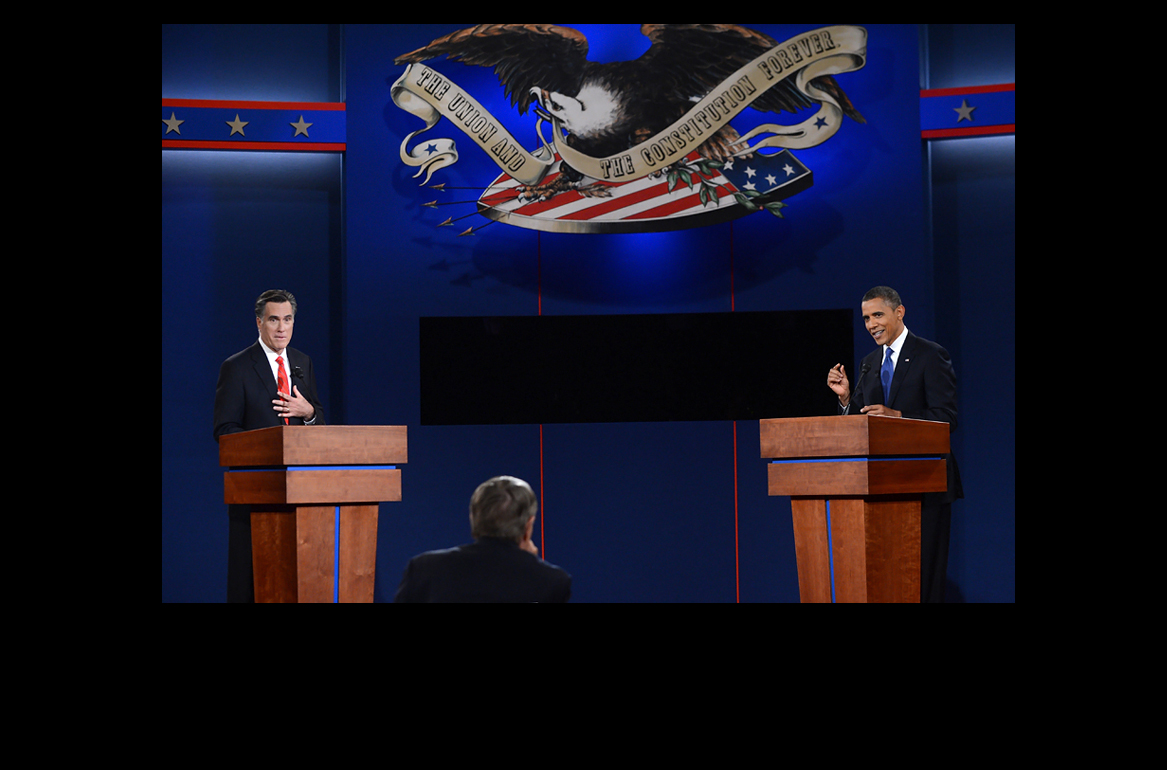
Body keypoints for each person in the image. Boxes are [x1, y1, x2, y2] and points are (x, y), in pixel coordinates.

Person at [826, 286, 962, 603]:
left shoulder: (930, 354)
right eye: (866, 318)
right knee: (887, 577)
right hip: (882, 486)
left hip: (926, 484)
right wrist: (846, 399)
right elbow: (861, 425)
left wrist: (897, 415)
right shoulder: (869, 363)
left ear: (899, 312)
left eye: (877, 315)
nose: (871, 324)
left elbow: (946, 418)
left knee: (922, 578)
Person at [213, 289, 326, 602]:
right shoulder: (237, 367)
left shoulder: (302, 362)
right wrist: (270, 446)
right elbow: (225, 430)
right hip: (258, 491)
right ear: (259, 322)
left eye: (288, 320)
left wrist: (309, 413)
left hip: (303, 489)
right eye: (274, 319)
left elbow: (319, 425)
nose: (281, 328)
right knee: (253, 582)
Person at [394, 476, 572, 603]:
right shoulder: (552, 581)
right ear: (528, 525)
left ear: (473, 517)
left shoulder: (425, 569)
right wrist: (530, 564)